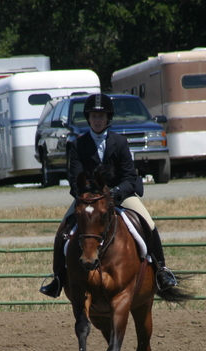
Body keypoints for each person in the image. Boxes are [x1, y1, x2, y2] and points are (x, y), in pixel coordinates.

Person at [39, 93, 177, 298]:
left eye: (101, 116)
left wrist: (116, 192)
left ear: (108, 119)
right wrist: (88, 195)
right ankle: (57, 278)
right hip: (90, 199)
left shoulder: (120, 142)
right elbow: (75, 178)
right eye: (94, 116)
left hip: (120, 195)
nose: (97, 120)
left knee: (148, 223)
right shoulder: (78, 145)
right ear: (88, 118)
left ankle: (162, 271)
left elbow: (129, 177)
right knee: (63, 230)